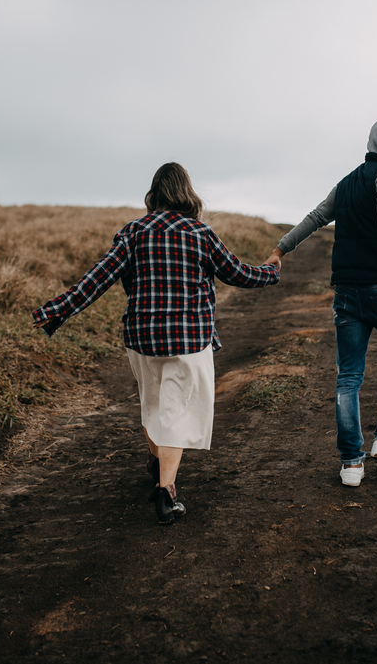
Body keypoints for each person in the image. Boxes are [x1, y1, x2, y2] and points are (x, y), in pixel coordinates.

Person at [33, 163, 281, 523]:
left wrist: (57, 309)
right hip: (188, 339)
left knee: (153, 406)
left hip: (142, 337)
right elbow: (238, 273)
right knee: (177, 413)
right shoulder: (200, 233)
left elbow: (96, 278)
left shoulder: (133, 232)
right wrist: (271, 271)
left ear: (155, 193)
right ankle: (166, 493)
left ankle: (156, 462)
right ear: (186, 192)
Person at [263, 118, 377, 487]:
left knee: (348, 378)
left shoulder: (347, 182)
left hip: (346, 294)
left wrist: (280, 248)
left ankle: (351, 464)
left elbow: (316, 217)